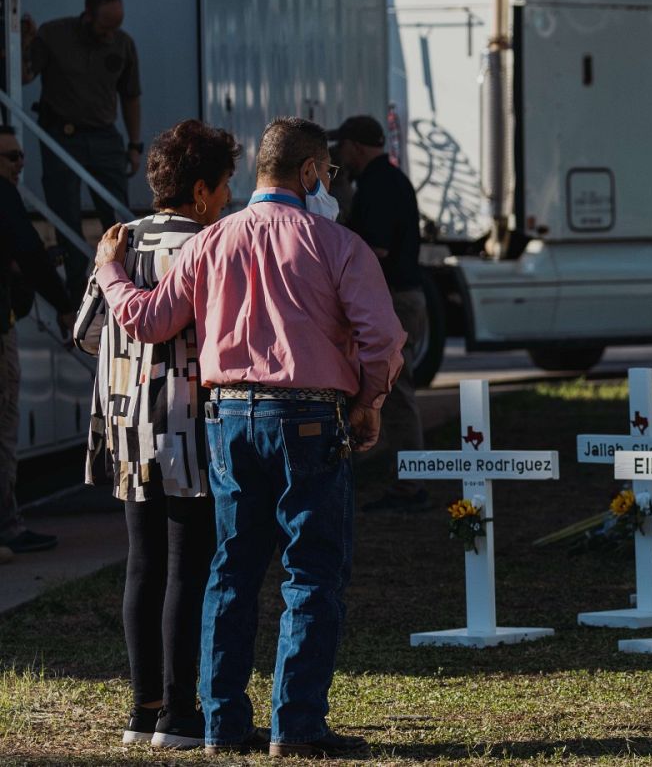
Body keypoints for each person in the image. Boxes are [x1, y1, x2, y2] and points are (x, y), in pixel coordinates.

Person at [93, 117, 403, 758]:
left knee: (229, 572)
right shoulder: (337, 243)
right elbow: (384, 338)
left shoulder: (212, 242)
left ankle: (222, 724)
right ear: (311, 172)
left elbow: (149, 320)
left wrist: (108, 272)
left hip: (228, 417)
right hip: (311, 417)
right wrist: (370, 401)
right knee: (311, 575)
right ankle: (297, 727)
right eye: (328, 174)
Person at [72, 120, 236, 750]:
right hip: (189, 423)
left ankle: (143, 709)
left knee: (142, 566)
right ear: (200, 191)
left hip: (125, 422)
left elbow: (87, 332)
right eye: (223, 186)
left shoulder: (119, 239)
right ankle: (179, 714)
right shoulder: (213, 243)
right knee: (187, 569)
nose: (228, 197)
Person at [330, 115, 427, 510]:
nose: (342, 156)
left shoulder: (378, 184)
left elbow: (377, 249)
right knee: (391, 389)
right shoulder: (387, 179)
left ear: (355, 145)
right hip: (404, 295)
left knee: (397, 390)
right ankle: (399, 473)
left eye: (344, 148)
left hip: (397, 297)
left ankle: (411, 484)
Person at [23, 0, 143, 288]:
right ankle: (77, 302)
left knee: (119, 223)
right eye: (105, 26)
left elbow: (131, 97)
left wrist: (134, 145)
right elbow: (23, 75)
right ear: (87, 16)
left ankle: (125, 293)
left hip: (104, 138)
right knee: (67, 222)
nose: (110, 34)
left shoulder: (123, 43)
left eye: (117, 25)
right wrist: (24, 41)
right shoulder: (54, 35)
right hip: (62, 137)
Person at [0, 126, 73, 559]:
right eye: (9, 157)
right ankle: (7, 527)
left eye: (21, 156)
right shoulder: (4, 196)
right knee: (4, 426)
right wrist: (64, 305)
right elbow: (31, 253)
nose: (18, 164)